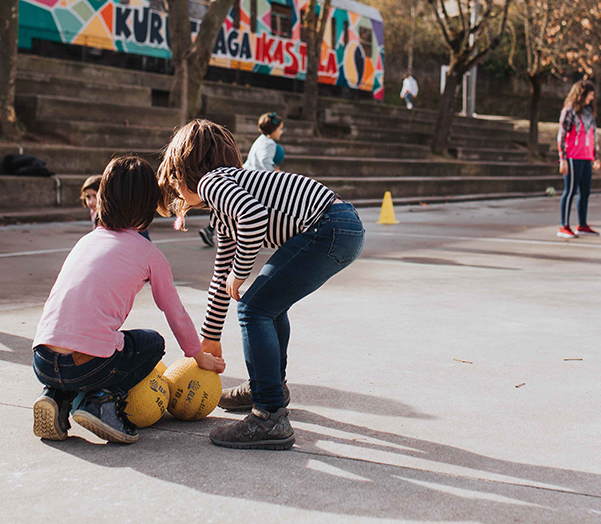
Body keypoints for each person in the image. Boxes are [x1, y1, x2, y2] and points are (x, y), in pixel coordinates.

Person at [158, 119, 365, 450]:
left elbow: (252, 219)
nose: (175, 192)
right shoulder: (225, 205)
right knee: (267, 305)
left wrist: (241, 273)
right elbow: (220, 275)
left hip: (328, 226)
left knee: (253, 308)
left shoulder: (213, 182)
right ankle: (269, 387)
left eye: (173, 181)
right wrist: (209, 338)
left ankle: (268, 414)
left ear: (184, 170)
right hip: (341, 227)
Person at [32, 155, 225, 444]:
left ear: (103, 199)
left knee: (87, 346)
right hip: (87, 364)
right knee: (151, 342)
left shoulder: (86, 241)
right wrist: (199, 356)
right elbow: (175, 313)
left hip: (42, 359)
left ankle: (56, 397)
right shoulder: (148, 253)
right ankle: (100, 402)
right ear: (149, 204)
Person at [199, 111, 285, 247]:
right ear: (273, 129)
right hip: (254, 181)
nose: (281, 132)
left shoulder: (261, 140)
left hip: (246, 174)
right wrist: (274, 175)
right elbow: (264, 160)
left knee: (233, 210)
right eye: (280, 129)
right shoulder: (270, 144)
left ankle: (210, 230)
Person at [556, 80, 601, 239]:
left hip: (586, 157)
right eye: (591, 93)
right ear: (582, 93)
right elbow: (561, 134)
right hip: (573, 157)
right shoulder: (569, 110)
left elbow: (592, 134)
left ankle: (582, 225)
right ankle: (564, 226)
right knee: (570, 191)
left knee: (585, 192)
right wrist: (562, 158)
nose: (592, 97)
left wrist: (595, 156)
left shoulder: (588, 111)